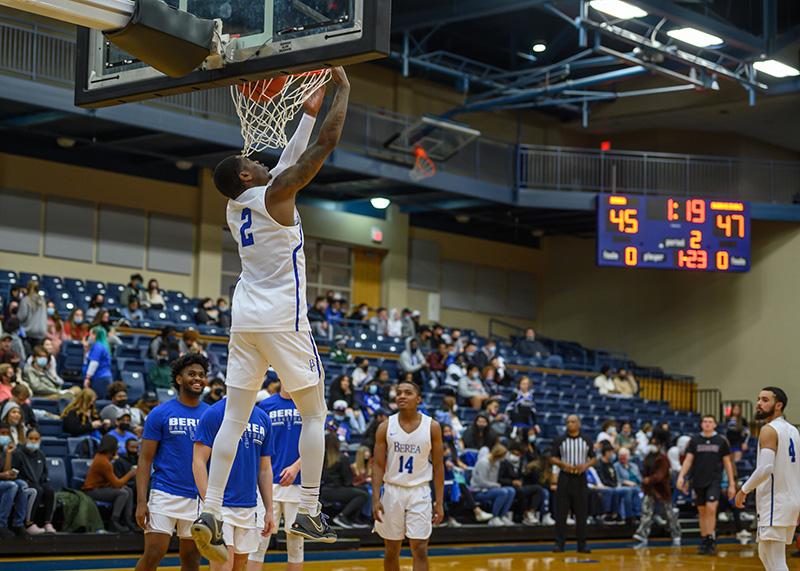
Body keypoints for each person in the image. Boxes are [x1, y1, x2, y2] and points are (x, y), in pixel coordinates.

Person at [190, 69, 350, 562]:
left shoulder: (236, 208)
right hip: (284, 318)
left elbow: (285, 165)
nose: (257, 162)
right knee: (316, 412)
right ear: (245, 176)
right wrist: (342, 92)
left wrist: (303, 113)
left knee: (233, 420)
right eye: (250, 163)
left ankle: (210, 511)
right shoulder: (276, 194)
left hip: (245, 321)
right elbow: (322, 147)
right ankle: (309, 507)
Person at [134, 353, 208, 571]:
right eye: (191, 374)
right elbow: (145, 460)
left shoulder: (212, 414)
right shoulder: (160, 413)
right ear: (178, 379)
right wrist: (141, 502)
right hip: (164, 492)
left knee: (192, 558)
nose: (197, 379)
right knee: (154, 553)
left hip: (197, 497)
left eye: (202, 375)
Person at [193, 395, 275, 569]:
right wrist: (210, 505)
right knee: (223, 565)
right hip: (219, 505)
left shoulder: (262, 418)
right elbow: (198, 461)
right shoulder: (214, 413)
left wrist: (269, 510)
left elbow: (265, 469)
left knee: (240, 566)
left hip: (249, 506)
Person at [373, 381, 444, 571]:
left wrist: (439, 501)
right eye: (399, 393)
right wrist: (375, 498)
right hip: (392, 491)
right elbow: (378, 465)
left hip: (419, 491)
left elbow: (438, 466)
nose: (402, 396)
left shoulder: (433, 427)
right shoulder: (385, 426)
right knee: (391, 549)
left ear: (418, 399)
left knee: (420, 548)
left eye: (408, 393)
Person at [735, 387, 800, 571]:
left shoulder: (768, 430)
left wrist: (743, 490)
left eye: (765, 400)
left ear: (778, 405)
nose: (758, 404)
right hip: (790, 500)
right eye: (758, 399)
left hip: (776, 502)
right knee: (765, 553)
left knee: (776, 559)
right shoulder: (793, 430)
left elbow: (765, 468)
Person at [250, 384, 304, 571]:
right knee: (258, 542)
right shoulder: (264, 406)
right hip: (267, 484)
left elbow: (316, 444)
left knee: (296, 543)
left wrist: (297, 466)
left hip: (299, 483)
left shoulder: (309, 405)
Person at [677, 415, 736, 555]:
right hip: (698, 481)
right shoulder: (695, 440)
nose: (707, 424)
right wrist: (681, 476)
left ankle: (710, 538)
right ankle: (704, 539)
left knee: (711, 508)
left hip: (714, 481)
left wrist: (732, 484)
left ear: (715, 425)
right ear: (701, 424)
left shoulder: (721, 441)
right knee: (702, 512)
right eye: (705, 421)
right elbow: (688, 461)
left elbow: (728, 463)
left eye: (710, 422)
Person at [550, 415, 595, 554]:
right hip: (565, 478)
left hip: (580, 478)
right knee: (561, 513)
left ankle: (582, 545)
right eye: (568, 422)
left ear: (579, 424)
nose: (570, 424)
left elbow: (593, 458)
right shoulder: (559, 440)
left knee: (582, 513)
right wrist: (563, 464)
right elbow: (552, 458)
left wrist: (586, 465)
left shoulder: (586, 440)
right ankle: (559, 544)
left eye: (573, 422)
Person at [632, 428, 681, 548]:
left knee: (669, 514)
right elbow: (644, 471)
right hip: (650, 489)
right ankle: (642, 534)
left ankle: (676, 534)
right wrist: (646, 480)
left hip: (662, 489)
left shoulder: (663, 458)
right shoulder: (648, 457)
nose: (652, 444)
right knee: (646, 512)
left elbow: (660, 475)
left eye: (655, 442)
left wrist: (650, 479)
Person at [83, 434, 137, 532]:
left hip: (101, 488)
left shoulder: (102, 457)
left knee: (128, 489)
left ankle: (128, 521)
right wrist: (130, 474)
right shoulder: (104, 462)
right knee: (123, 492)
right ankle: (114, 521)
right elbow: (117, 484)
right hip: (92, 491)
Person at [320, 432, 369, 528]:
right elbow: (348, 481)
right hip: (334, 490)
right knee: (363, 494)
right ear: (337, 444)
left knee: (362, 490)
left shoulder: (320, 458)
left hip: (322, 490)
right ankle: (342, 516)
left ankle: (353, 519)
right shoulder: (342, 458)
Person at [12, 429, 56, 532]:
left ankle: (47, 523)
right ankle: (29, 523)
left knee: (49, 490)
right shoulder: (18, 453)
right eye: (31, 438)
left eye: (36, 439)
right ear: (25, 439)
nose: (33, 441)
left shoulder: (41, 454)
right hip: (24, 483)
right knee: (37, 490)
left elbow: (44, 472)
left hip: (37, 483)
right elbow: (14, 472)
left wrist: (44, 481)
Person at [499, 441, 544, 525]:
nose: (517, 456)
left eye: (519, 454)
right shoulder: (503, 462)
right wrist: (512, 482)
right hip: (507, 486)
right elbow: (499, 479)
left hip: (519, 486)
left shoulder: (521, 462)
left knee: (538, 489)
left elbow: (521, 476)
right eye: (515, 453)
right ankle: (524, 514)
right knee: (520, 492)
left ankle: (531, 512)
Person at [83, 326, 113, 397]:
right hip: (103, 378)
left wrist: (87, 378)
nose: (89, 337)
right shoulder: (103, 345)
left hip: (100, 378)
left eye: (90, 334)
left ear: (95, 335)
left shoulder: (98, 346)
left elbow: (94, 363)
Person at [17, 281, 47, 348]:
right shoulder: (42, 300)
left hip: (29, 332)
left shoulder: (25, 300)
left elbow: (21, 316)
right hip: (41, 332)